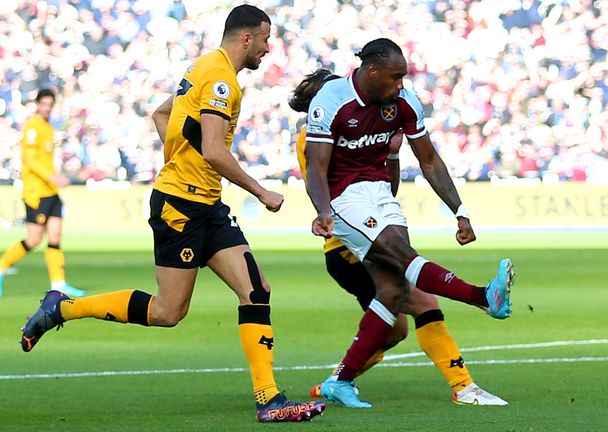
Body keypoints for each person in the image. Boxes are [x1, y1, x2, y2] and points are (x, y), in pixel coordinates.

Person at [18, 5, 324, 423]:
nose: (269, 49)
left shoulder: (203, 67)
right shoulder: (220, 80)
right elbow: (215, 149)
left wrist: (184, 160)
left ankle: (269, 400)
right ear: (247, 38)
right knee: (168, 312)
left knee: (256, 289)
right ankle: (62, 309)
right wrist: (260, 191)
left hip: (206, 204)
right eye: (266, 40)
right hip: (180, 206)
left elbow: (162, 114)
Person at [304, 39, 514, 408]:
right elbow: (316, 169)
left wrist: (459, 210)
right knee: (405, 261)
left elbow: (430, 160)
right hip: (343, 199)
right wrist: (323, 210)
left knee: (393, 290)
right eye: (395, 76)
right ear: (371, 72)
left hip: (380, 193)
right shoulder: (331, 101)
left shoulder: (402, 103)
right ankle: (484, 298)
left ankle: (341, 381)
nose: (401, 84)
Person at [0, 89, 85, 298]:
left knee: (55, 237)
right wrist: (52, 177)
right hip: (36, 191)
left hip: (50, 191)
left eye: (50, 104)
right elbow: (31, 161)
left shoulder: (48, 128)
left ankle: (59, 284)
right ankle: (1, 267)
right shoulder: (32, 128)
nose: (47, 107)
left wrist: (53, 180)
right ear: (37, 104)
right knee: (34, 239)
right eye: (44, 103)